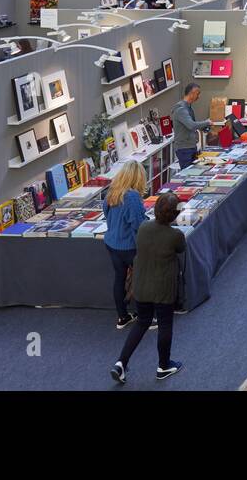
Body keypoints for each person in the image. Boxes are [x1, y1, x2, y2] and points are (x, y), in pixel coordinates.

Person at [111, 192, 185, 383]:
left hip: (141, 286)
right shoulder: (175, 235)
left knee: (142, 323)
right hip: (163, 289)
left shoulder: (143, 227)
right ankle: (163, 365)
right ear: (174, 215)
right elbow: (181, 249)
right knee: (165, 324)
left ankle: (120, 363)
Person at [103, 160, 147, 330]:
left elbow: (106, 213)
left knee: (119, 279)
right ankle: (146, 318)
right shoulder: (132, 196)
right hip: (130, 246)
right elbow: (137, 224)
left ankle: (122, 317)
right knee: (143, 280)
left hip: (112, 243)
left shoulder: (112, 191)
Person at [172, 83, 211, 171]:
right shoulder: (181, 109)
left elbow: (192, 124)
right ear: (192, 93)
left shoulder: (189, 108)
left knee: (193, 172)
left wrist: (204, 127)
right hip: (184, 148)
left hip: (191, 146)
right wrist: (206, 122)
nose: (198, 96)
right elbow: (192, 125)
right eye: (198, 94)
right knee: (188, 174)